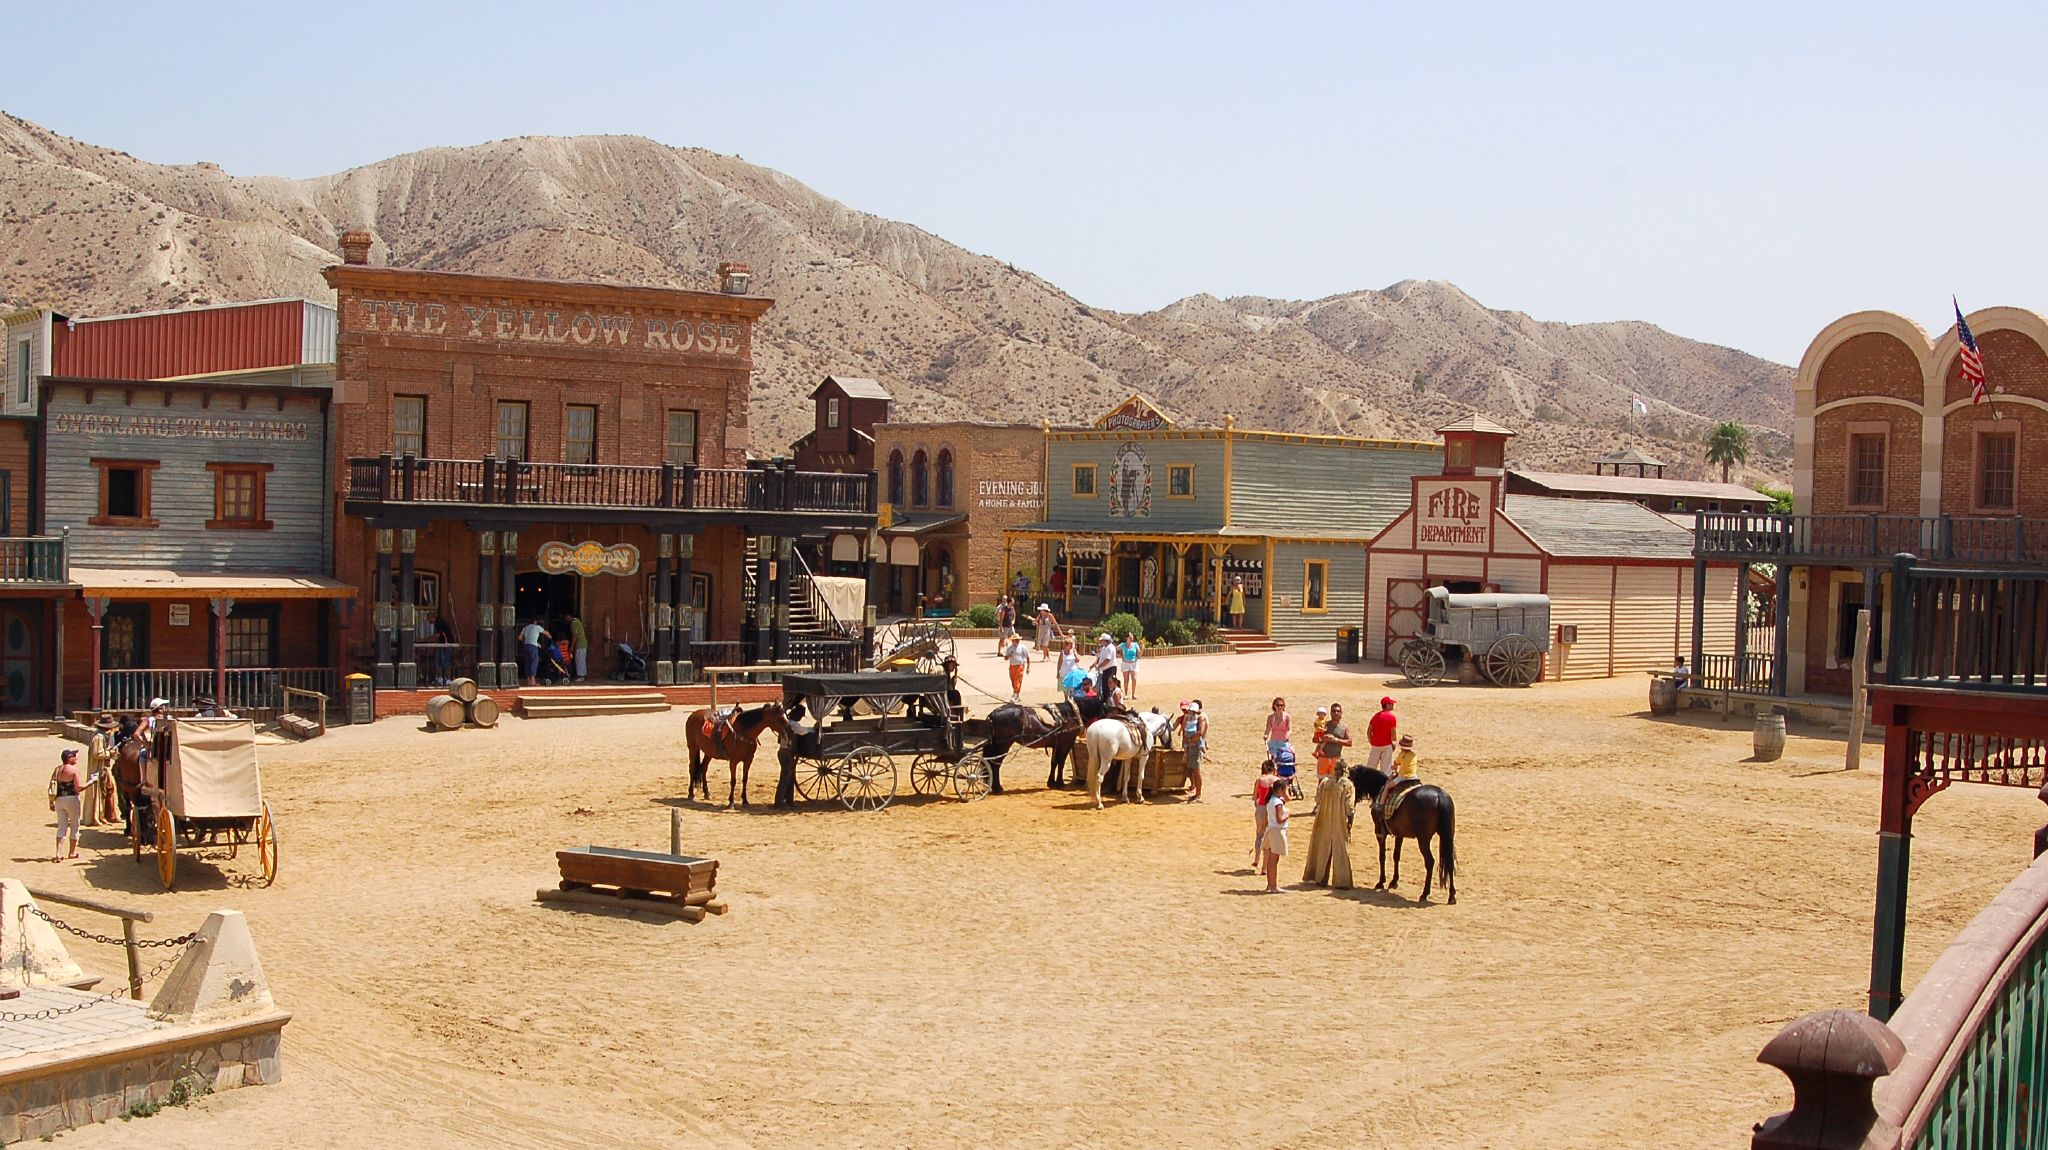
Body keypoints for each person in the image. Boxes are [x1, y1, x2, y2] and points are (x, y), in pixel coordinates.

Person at [1302, 758, 1355, 888]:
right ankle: (1342, 881)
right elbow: (1350, 807)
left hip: (1324, 817)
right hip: (1339, 818)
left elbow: (1317, 799)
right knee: (1341, 848)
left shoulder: (1325, 782)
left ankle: (1320, 878)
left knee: (1323, 846)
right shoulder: (1347, 785)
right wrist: (1350, 822)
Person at [49, 748, 84, 861]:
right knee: (75, 826)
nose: (76, 757)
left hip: (59, 800)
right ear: (69, 758)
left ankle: (58, 853)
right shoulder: (74, 770)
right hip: (72, 799)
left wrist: (51, 801)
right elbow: (78, 787)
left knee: (61, 827)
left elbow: (52, 787)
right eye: (74, 755)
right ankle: (72, 852)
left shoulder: (57, 770)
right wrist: (91, 783)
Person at [87, 712, 120, 826]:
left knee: (109, 788)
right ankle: (100, 816)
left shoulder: (103, 736)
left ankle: (110, 815)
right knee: (101, 791)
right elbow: (97, 753)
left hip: (104, 767)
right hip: (98, 768)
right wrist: (109, 753)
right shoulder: (98, 737)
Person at [1262, 774, 1292, 892]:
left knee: (1271, 859)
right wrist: (1287, 815)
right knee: (1274, 860)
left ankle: (1270, 885)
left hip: (1271, 830)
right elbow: (1280, 819)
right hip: (1277, 831)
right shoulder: (1277, 802)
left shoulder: (1271, 800)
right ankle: (1273, 886)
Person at [1253, 757, 1283, 863]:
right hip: (1273, 808)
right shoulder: (1277, 781)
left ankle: (1256, 859)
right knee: (1269, 838)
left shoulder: (1260, 780)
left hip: (1261, 808)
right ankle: (1265, 866)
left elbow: (1254, 797)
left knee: (1259, 835)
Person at [1177, 700, 1206, 801]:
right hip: (1193, 746)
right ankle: (1196, 793)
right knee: (1193, 770)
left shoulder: (1201, 718)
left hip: (1195, 747)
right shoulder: (1195, 717)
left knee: (1196, 771)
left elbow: (1200, 733)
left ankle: (1198, 795)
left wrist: (1189, 740)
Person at [1365, 696, 1398, 776]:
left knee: (1371, 767)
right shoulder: (1392, 717)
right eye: (1391, 704)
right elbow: (1393, 733)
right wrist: (1393, 742)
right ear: (1387, 705)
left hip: (1375, 745)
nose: (1392, 705)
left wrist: (1371, 741)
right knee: (1386, 769)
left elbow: (1369, 731)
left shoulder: (1375, 716)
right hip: (1386, 745)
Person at [1319, 703, 1352, 778]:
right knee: (1321, 783)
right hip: (1323, 758)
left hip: (1336, 759)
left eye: (1338, 711)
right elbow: (1315, 739)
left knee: (1335, 782)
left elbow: (1349, 742)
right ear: (1330, 713)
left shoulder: (1344, 727)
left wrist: (1335, 740)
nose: (1336, 713)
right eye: (1333, 711)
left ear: (1341, 713)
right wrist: (1322, 738)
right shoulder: (1325, 725)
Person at [517, 617, 550, 686]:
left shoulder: (525, 628)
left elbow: (519, 637)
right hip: (533, 646)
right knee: (534, 662)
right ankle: (533, 680)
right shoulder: (537, 627)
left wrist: (526, 641)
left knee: (527, 662)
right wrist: (550, 637)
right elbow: (546, 633)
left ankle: (528, 681)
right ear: (535, 621)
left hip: (526, 646)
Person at [1004, 634, 1030, 703]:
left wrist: (1028, 667)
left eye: (1017, 640)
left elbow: (1027, 657)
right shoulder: (1009, 648)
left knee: (1017, 680)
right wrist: (1009, 655)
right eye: (1015, 640)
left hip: (1020, 665)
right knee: (1013, 680)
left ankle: (1014, 694)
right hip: (1012, 666)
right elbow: (1005, 658)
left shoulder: (1022, 647)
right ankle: (1017, 694)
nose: (1017, 641)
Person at [1118, 631, 1141, 700]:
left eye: (1131, 636)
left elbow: (1139, 654)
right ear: (1127, 638)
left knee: (1134, 679)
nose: (1131, 637)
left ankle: (1133, 694)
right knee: (1126, 679)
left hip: (1134, 663)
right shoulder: (1122, 645)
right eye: (1129, 636)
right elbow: (1115, 649)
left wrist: (1139, 655)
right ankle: (1126, 694)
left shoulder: (1135, 644)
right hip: (1125, 663)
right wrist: (1120, 655)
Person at [568, 614, 590, 682]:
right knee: (581, 660)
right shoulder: (577, 621)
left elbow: (574, 636)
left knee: (579, 660)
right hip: (583, 644)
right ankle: (582, 675)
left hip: (580, 644)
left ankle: (581, 676)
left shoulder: (574, 623)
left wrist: (572, 646)